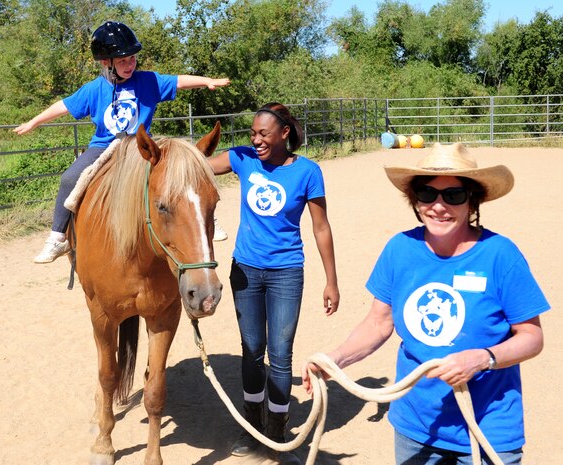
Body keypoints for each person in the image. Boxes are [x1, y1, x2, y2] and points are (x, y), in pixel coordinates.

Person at [302, 142, 550, 465]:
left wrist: (483, 358)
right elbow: (378, 322)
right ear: (414, 199)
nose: (439, 206)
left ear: (472, 199)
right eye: (427, 193)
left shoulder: (501, 255)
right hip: (416, 428)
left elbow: (532, 338)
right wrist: (334, 361)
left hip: (488, 427)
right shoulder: (400, 249)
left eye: (454, 196)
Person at [14, 21, 230, 263]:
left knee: (180, 169)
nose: (130, 65)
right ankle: (57, 238)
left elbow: (178, 81)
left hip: (138, 146)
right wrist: (34, 121)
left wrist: (207, 80)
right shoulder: (94, 89)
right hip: (103, 146)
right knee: (70, 178)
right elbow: (63, 106)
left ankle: (207, 220)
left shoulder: (147, 81)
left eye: (132, 59)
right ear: (106, 63)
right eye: (123, 61)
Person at [208, 102, 340, 464]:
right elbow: (197, 166)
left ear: (284, 134)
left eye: (263, 134)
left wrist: (332, 280)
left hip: (286, 272)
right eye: (253, 133)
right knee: (251, 351)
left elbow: (321, 227)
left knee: (280, 355)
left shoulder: (308, 172)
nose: (256, 139)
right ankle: (252, 428)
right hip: (245, 271)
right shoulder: (243, 158)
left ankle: (277, 434)